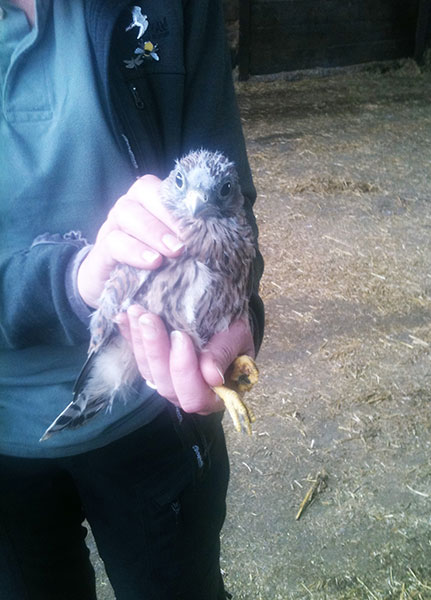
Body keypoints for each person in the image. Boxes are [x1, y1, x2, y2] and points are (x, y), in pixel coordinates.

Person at [0, 1, 264, 599]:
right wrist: (74, 278)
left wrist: (240, 323)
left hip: (157, 421)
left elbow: (229, 190)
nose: (193, 206)